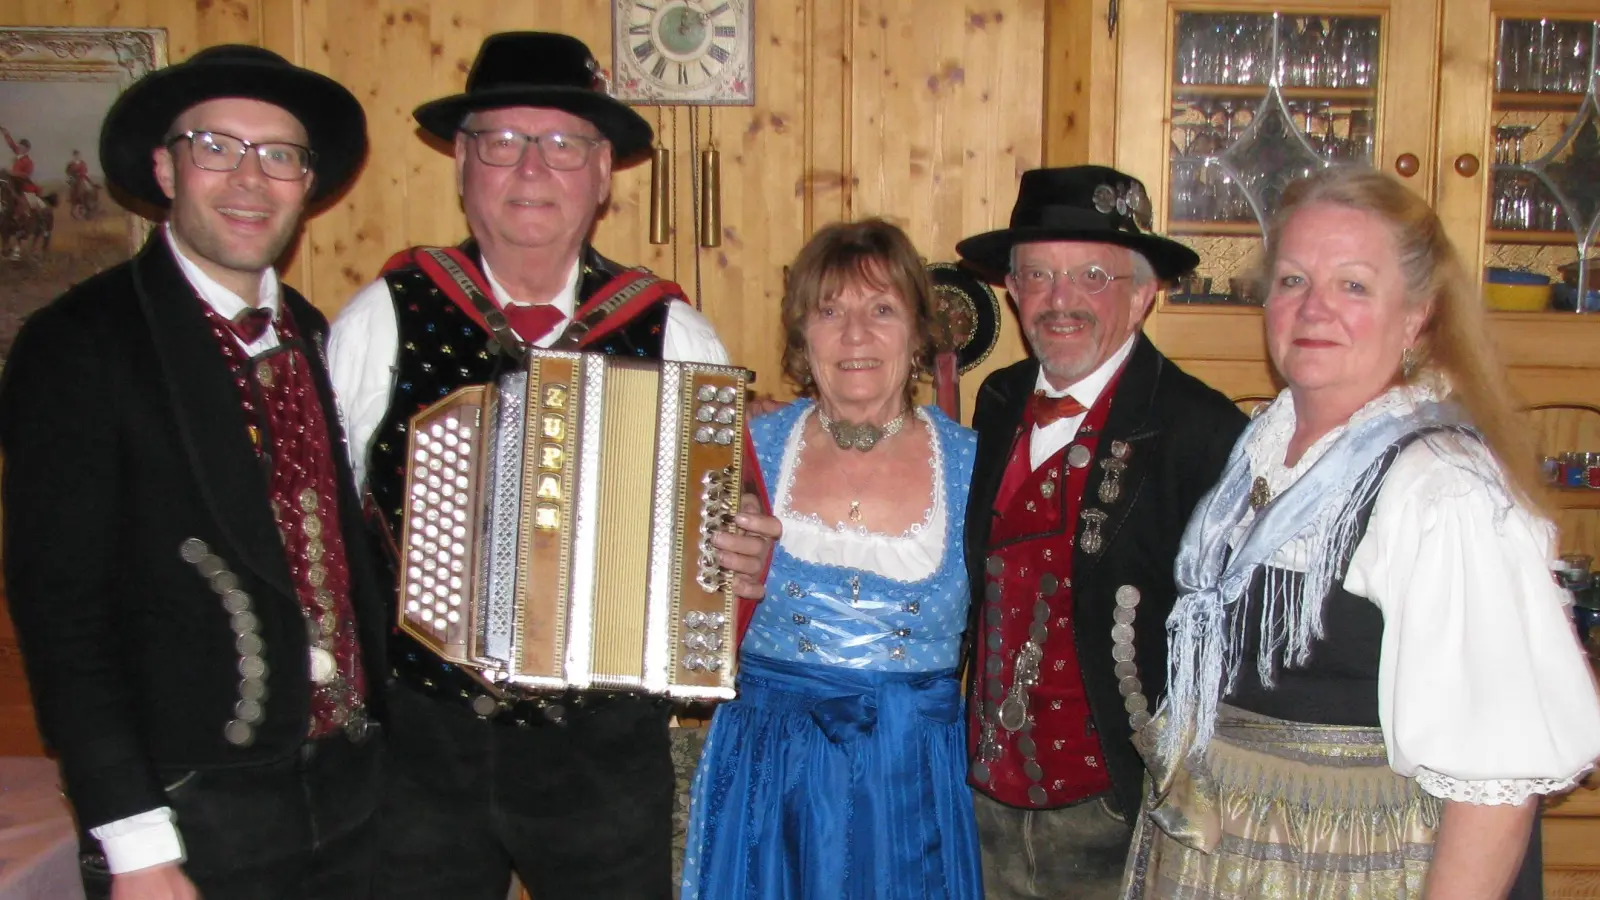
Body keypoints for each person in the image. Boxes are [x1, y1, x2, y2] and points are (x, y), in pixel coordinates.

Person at [328, 31, 779, 900]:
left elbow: (730, 541)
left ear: (603, 174)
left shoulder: (671, 331)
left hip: (601, 754)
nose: (531, 168)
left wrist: (742, 564)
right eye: (501, 141)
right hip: (423, 744)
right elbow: (321, 532)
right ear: (462, 163)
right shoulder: (384, 315)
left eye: (564, 144)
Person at [1122, 167, 1600, 900]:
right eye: (1291, 281)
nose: (1314, 309)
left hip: (1351, 866)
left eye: (1353, 285)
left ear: (1415, 317)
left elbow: (1492, 788)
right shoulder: (1264, 449)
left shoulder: (1441, 489)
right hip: (1234, 858)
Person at [0, 45, 385, 900]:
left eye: (279, 156)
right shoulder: (80, 345)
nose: (250, 179)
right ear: (165, 168)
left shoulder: (311, 331)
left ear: (306, 184)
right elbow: (62, 613)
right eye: (216, 146)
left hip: (351, 792)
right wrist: (136, 844)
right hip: (191, 803)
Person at [952, 165, 1247, 899]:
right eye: (1039, 277)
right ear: (1012, 292)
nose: (1061, 301)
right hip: (981, 798)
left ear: (1144, 294)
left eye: (1092, 275)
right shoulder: (996, 399)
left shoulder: (1202, 429)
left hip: (1118, 806)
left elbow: (1234, 642)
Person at [680, 219, 984, 899]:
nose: (854, 335)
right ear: (803, 336)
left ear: (917, 335)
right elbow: (674, 621)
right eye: (830, 311)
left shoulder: (975, 465)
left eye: (881, 310)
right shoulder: (740, 450)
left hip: (910, 783)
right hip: (768, 774)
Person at [1, 125, 44, 208]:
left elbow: (25, 175)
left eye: (23, 147)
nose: (20, 147)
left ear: (27, 149)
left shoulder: (29, 162)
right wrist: (6, 134)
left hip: (21, 184)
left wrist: (12, 173)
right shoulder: (18, 154)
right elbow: (11, 144)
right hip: (12, 181)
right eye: (20, 146)